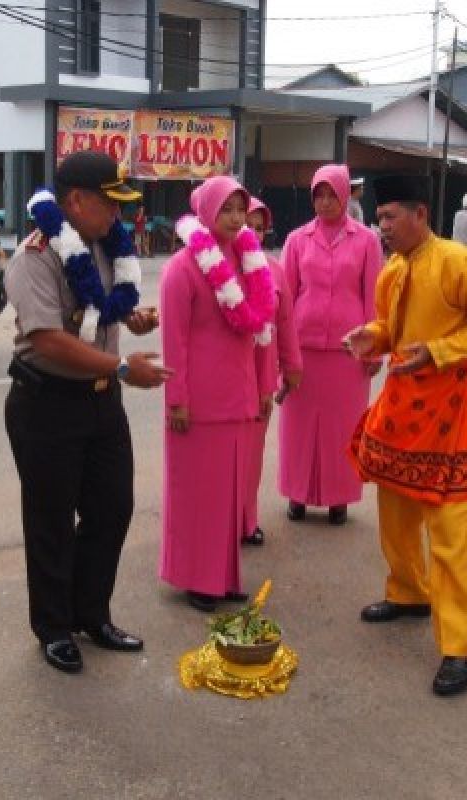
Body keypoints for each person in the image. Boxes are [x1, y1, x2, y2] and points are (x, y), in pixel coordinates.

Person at [345, 174, 467, 697]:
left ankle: (461, 646)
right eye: (380, 220)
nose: (384, 228)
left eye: (391, 217)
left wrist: (437, 351)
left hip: (453, 408)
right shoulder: (393, 270)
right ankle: (408, 593)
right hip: (402, 405)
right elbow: (389, 328)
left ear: (420, 214)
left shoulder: (459, 262)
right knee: (395, 511)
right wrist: (370, 336)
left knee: (450, 530)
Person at [6, 150, 169, 673]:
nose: (118, 216)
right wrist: (123, 366)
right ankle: (53, 627)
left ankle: (91, 613)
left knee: (112, 508)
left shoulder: (106, 245)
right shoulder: (36, 256)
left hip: (101, 401)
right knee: (51, 520)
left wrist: (132, 318)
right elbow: (50, 341)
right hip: (48, 402)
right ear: (75, 201)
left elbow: (101, 314)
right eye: (109, 204)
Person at [159, 176, 275, 612]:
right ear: (206, 211)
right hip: (199, 405)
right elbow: (175, 342)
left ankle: (223, 576)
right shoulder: (182, 268)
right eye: (225, 209)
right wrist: (177, 399)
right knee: (199, 497)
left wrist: (262, 389)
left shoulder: (249, 260)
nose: (235, 218)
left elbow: (262, 330)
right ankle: (197, 578)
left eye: (240, 210)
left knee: (228, 497)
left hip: (238, 398)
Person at [279, 163, 384, 525]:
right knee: (299, 426)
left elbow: (374, 297)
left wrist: (373, 347)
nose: (324, 203)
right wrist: (282, 351)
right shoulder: (297, 239)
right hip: (303, 348)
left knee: (343, 427)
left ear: (344, 195)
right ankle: (298, 495)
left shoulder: (366, 241)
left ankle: (338, 497)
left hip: (348, 351)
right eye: (318, 195)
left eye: (331, 195)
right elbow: (284, 296)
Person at [243, 196, 302, 547]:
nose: (251, 232)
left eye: (259, 228)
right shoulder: (218, 268)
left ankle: (247, 520)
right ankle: (221, 523)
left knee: (252, 454)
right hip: (225, 380)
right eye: (245, 224)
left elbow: (286, 323)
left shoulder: (273, 268)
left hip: (262, 377)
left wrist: (291, 367)